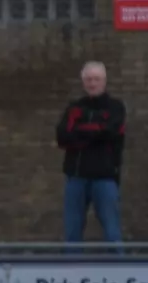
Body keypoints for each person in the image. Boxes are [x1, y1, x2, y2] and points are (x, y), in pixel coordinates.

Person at [56, 61, 126, 250]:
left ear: (104, 81)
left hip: (105, 178)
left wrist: (79, 132)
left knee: (112, 233)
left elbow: (110, 132)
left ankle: (119, 274)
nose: (92, 83)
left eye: (96, 79)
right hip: (76, 178)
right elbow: (62, 137)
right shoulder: (74, 108)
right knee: (72, 234)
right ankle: (71, 277)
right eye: (88, 79)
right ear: (83, 82)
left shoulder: (115, 107)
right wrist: (95, 132)